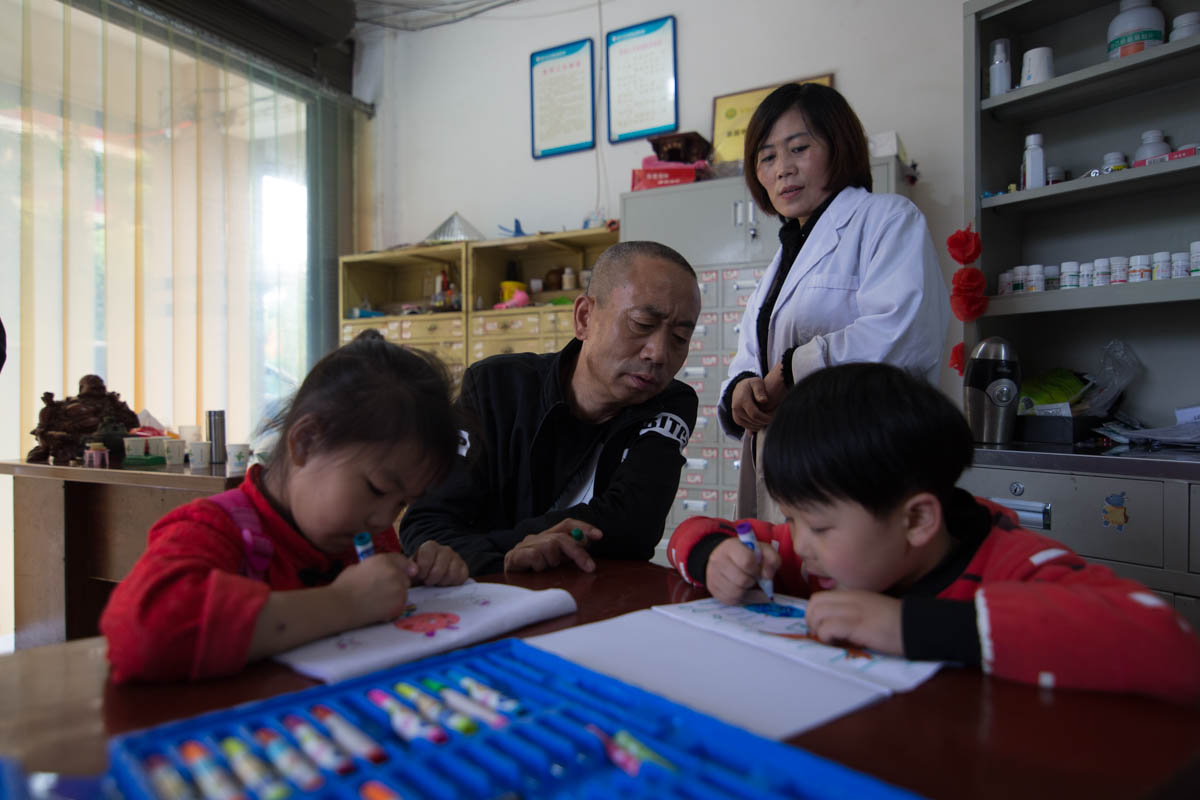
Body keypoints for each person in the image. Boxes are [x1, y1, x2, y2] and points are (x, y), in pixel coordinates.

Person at [668, 363, 1200, 702]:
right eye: (790, 519)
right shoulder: (815, 553)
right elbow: (691, 531)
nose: (797, 543)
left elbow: (1169, 645)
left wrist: (911, 627)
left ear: (917, 520)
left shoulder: (1013, 564)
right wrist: (715, 554)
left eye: (819, 526)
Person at [101, 330, 469, 682]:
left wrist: (421, 575)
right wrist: (344, 603)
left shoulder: (369, 536)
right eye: (377, 489)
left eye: (402, 504)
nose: (384, 518)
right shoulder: (215, 529)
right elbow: (143, 633)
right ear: (305, 442)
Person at [399, 241, 701, 576]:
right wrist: (511, 556)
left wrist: (496, 547)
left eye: (679, 338)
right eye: (642, 324)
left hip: (598, 599)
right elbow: (427, 528)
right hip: (488, 597)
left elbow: (632, 524)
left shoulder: (671, 403)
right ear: (584, 317)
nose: (659, 354)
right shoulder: (495, 387)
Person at [719, 82, 949, 521]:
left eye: (799, 148)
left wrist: (793, 370)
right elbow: (751, 352)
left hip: (862, 461)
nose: (783, 169)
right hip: (789, 463)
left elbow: (903, 336)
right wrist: (742, 388)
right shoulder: (784, 257)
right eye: (767, 158)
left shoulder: (887, 219)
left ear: (839, 147)